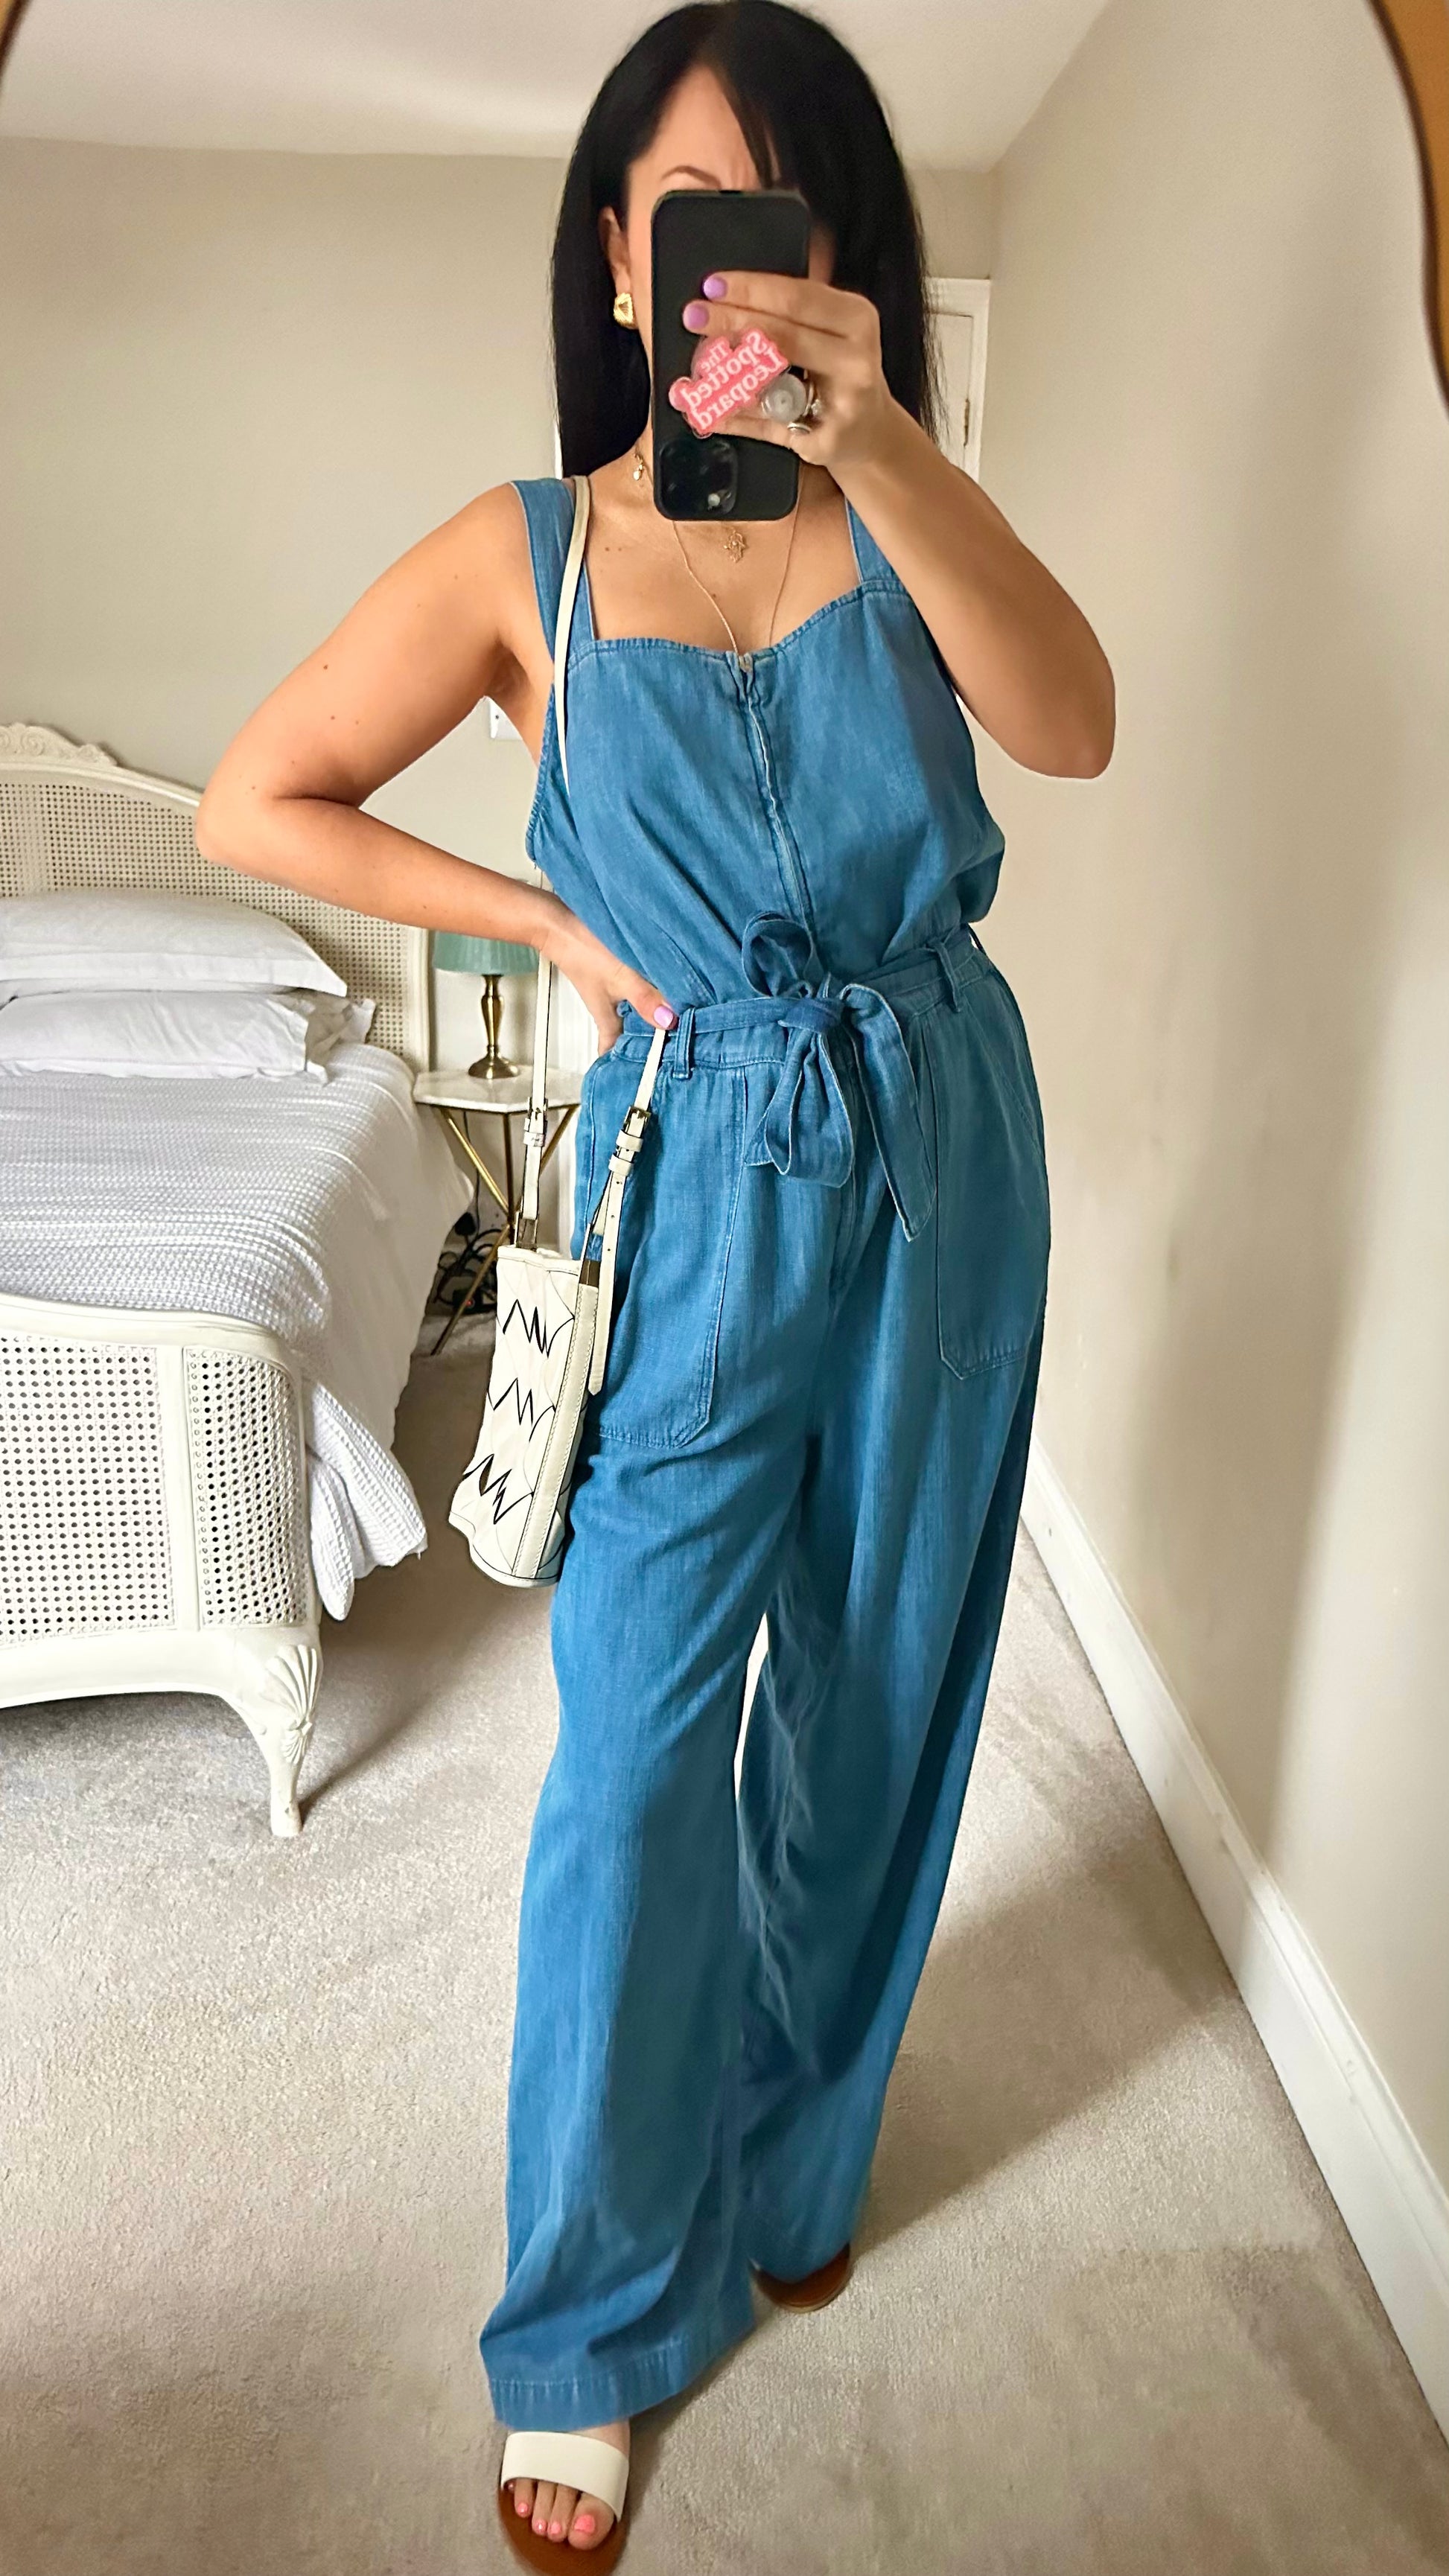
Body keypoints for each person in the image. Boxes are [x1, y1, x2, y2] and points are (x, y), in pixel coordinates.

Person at [197, 1, 1114, 2558]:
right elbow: (261, 793)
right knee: (627, 1744)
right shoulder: (525, 552)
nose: (727, 269)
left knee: (883, 1685)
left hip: (942, 1135)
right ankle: (593, 2318)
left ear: (837, 253)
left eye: (775, 216)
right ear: (614, 254)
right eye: (683, 214)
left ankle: (797, 2158)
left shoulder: (904, 509)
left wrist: (881, 437)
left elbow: (1074, 725)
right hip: (691, 1156)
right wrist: (541, 920)